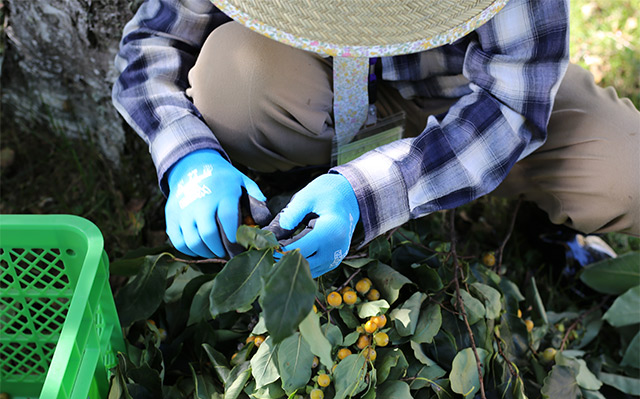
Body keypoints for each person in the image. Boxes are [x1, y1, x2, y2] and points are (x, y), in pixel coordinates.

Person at [112, 0, 639, 278]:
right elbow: (153, 42)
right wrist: (188, 158)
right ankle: (291, 180)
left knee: (624, 172)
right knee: (233, 80)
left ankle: (540, 218)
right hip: (305, 87)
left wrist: (367, 196)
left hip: (460, 100)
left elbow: (511, 105)